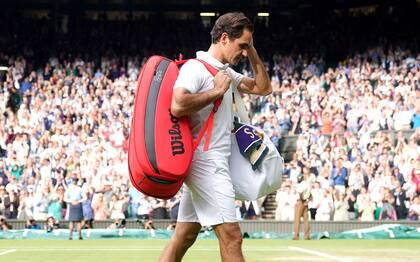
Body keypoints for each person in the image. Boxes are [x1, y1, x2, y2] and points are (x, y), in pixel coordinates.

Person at [159, 12, 271, 262]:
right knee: (232, 237)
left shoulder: (226, 73)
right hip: (207, 162)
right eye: (241, 45)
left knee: (184, 236)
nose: (243, 52)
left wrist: (252, 50)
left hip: (208, 161)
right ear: (223, 38)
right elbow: (178, 104)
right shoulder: (196, 68)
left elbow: (263, 88)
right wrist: (217, 90)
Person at [64, 175, 86, 240]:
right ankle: (76, 236)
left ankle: (73, 236)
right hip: (76, 204)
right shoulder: (75, 188)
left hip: (74, 204)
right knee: (75, 222)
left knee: (73, 222)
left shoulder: (73, 188)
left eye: (75, 180)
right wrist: (77, 201)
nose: (74, 181)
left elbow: (65, 198)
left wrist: (73, 201)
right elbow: (84, 198)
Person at [293, 167, 312, 240]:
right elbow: (311, 195)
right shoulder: (308, 184)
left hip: (300, 202)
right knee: (306, 220)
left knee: (297, 219)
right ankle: (307, 236)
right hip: (305, 203)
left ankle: (296, 236)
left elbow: (299, 192)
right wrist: (307, 201)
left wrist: (301, 200)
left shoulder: (302, 184)